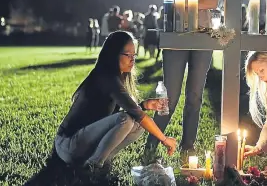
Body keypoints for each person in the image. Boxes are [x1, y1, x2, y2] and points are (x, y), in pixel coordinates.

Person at [144, 0, 220, 160]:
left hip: (202, 34)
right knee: (171, 95)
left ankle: (188, 145)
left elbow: (214, 1)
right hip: (176, 32)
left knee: (195, 95)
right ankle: (153, 142)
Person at [54, 31, 177, 172]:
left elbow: (131, 114)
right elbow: (135, 115)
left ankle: (102, 159)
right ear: (114, 54)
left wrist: (145, 105)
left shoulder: (115, 77)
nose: (133, 60)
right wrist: (165, 139)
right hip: (69, 145)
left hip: (83, 143)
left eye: (134, 55)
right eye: (128, 55)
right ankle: (93, 166)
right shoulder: (107, 77)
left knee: (137, 124)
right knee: (128, 119)